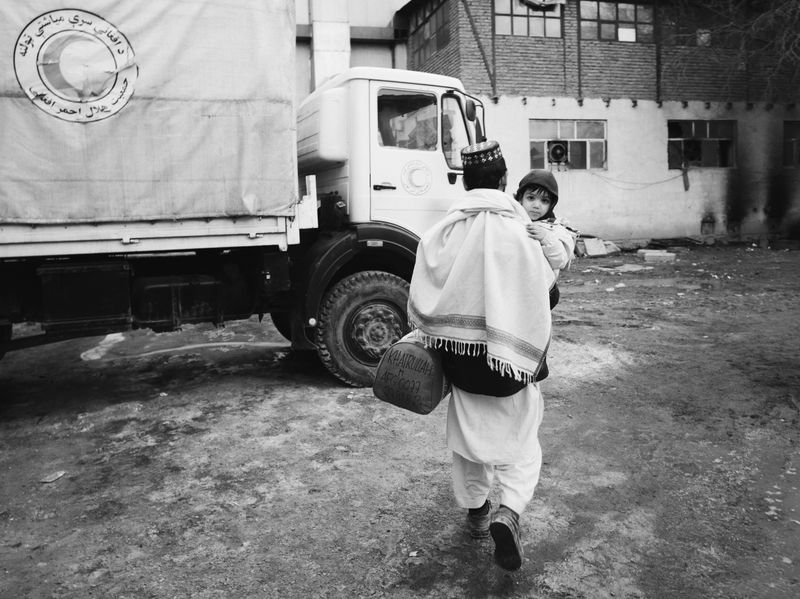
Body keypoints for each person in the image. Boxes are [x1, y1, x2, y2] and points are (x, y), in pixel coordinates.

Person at [407, 140, 556, 571]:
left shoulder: (445, 231)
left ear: (466, 182)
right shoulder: (521, 229)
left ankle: (475, 513)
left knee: (468, 440)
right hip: (509, 362)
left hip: (461, 362)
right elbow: (546, 292)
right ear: (505, 181)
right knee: (522, 442)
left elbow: (424, 289)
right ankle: (507, 511)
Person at [515, 169, 578, 380]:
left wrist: (545, 238)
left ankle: (535, 367)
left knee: (536, 330)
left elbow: (560, 258)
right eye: (530, 198)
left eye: (544, 201)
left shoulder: (553, 228)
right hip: (519, 291)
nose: (536, 205)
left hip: (542, 292)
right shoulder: (513, 222)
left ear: (551, 205)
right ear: (520, 198)